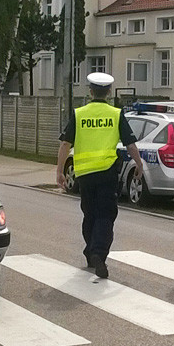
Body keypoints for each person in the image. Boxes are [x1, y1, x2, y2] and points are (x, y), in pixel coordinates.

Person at [56, 72, 144, 279]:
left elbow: (65, 144)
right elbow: (130, 144)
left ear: (90, 91)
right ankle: (98, 253)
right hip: (107, 173)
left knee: (90, 213)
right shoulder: (116, 114)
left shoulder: (79, 114)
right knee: (106, 215)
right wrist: (138, 164)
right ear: (109, 92)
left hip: (85, 174)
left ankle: (90, 251)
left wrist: (59, 171)